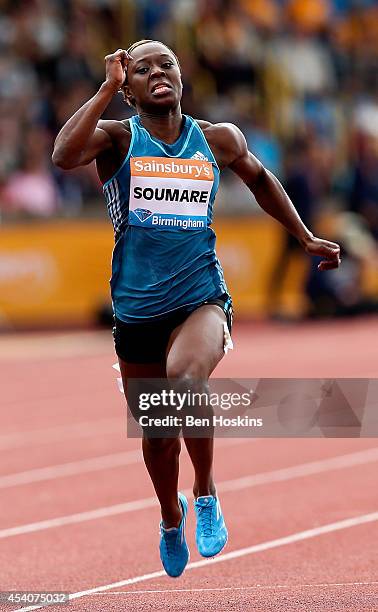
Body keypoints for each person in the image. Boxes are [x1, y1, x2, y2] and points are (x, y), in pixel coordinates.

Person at [52, 40, 341, 578]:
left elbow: (260, 178)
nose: (157, 72)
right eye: (142, 69)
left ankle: (205, 492)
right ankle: (169, 515)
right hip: (136, 309)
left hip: (200, 297)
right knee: (159, 440)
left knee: (185, 378)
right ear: (130, 86)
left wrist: (304, 237)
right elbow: (64, 155)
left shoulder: (217, 139)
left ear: (182, 76)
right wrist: (105, 87)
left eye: (167, 64)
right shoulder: (118, 138)